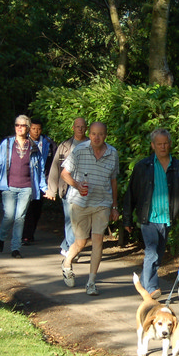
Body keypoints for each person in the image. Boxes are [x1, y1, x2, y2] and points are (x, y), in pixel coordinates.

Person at [124, 128, 179, 298]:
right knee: (152, 251)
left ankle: (144, 282)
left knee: (158, 253)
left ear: (170, 144)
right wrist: (127, 219)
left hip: (167, 218)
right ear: (153, 145)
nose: (162, 147)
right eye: (159, 144)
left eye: (165, 143)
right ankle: (151, 288)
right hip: (148, 217)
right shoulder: (142, 167)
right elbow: (131, 193)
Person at [60, 121, 120, 296]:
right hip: (80, 203)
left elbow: (114, 181)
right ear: (89, 134)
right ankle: (67, 263)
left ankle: (91, 282)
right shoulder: (79, 150)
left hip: (102, 203)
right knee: (80, 242)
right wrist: (77, 185)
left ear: (105, 135)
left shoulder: (113, 153)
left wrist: (114, 206)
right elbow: (64, 173)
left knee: (98, 241)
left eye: (100, 134)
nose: (96, 137)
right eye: (93, 133)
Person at [0, 114, 47, 259]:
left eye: (23, 125)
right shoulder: (7, 143)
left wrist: (44, 188)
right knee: (9, 216)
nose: (19, 128)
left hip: (26, 187)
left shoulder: (33, 146)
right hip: (8, 186)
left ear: (28, 128)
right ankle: (1, 236)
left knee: (20, 217)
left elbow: (40, 169)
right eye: (17, 125)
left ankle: (15, 248)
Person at [46, 117, 89, 256]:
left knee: (81, 220)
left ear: (86, 128)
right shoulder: (64, 146)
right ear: (73, 128)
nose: (80, 129)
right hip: (68, 186)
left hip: (85, 187)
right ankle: (71, 250)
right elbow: (55, 168)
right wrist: (52, 190)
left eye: (82, 126)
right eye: (77, 126)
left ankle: (66, 245)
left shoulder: (92, 145)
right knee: (70, 219)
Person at [21, 117, 55, 245]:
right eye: (33, 128)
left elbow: (54, 162)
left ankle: (30, 233)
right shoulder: (23, 142)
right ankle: (25, 235)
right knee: (28, 208)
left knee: (36, 208)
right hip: (27, 180)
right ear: (29, 129)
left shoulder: (48, 143)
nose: (36, 131)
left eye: (38, 129)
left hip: (43, 181)